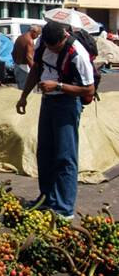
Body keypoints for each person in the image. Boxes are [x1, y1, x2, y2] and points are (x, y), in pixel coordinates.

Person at [16, 21, 94, 220]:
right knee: (45, 152)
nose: (52, 50)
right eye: (49, 47)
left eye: (55, 47)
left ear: (64, 38)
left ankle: (64, 208)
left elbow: (88, 90)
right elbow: (36, 70)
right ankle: (47, 199)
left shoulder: (78, 54)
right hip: (48, 102)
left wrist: (58, 86)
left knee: (65, 156)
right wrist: (24, 95)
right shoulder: (43, 43)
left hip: (67, 103)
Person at [12, 25, 42, 89]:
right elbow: (29, 58)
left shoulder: (20, 37)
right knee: (26, 90)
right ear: (34, 32)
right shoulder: (29, 41)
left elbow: (13, 53)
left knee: (20, 89)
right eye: (38, 34)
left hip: (17, 66)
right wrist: (35, 72)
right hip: (24, 68)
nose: (37, 37)